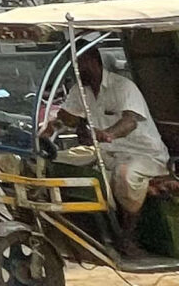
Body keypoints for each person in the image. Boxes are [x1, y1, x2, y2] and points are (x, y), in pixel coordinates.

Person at [53, 44, 172, 221]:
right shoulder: (80, 89)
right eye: (72, 64)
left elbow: (130, 122)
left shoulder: (123, 86)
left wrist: (108, 134)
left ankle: (130, 225)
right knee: (57, 158)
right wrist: (69, 124)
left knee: (123, 174)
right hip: (106, 152)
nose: (75, 69)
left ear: (94, 61)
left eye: (78, 63)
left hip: (144, 154)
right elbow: (66, 117)